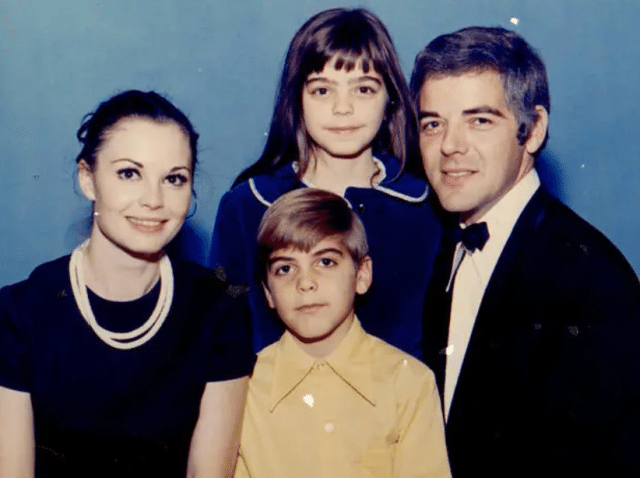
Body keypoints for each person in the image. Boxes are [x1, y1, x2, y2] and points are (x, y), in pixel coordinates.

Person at [410, 26, 640, 477]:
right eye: (433, 123)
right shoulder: (441, 249)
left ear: (532, 130)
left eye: (479, 120)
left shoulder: (589, 278)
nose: (450, 146)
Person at [0, 90, 255, 478]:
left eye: (174, 178)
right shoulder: (20, 312)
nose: (153, 199)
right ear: (88, 179)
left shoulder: (219, 308)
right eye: (129, 173)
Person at [210, 7, 441, 358]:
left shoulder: (427, 208)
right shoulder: (247, 207)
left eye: (363, 89)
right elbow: (222, 327)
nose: (343, 107)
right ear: (296, 100)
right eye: (322, 90)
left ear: (390, 99)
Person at [234, 188, 450, 478]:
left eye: (325, 262)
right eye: (285, 268)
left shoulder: (409, 383)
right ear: (268, 292)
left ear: (362, 275)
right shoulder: (244, 389)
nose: (305, 283)